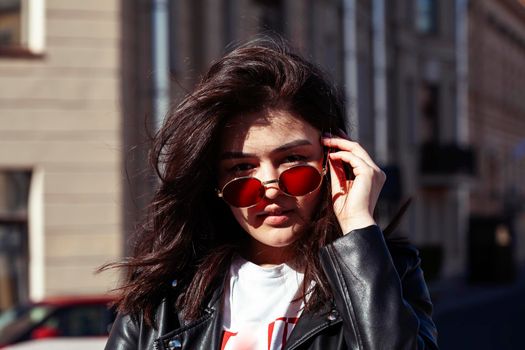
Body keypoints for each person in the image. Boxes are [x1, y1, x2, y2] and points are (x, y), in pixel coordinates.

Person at [105, 38, 438, 350]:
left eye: (292, 160)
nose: (271, 189)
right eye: (241, 170)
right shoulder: (164, 296)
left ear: (334, 160)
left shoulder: (386, 272)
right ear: (216, 185)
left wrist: (357, 225)